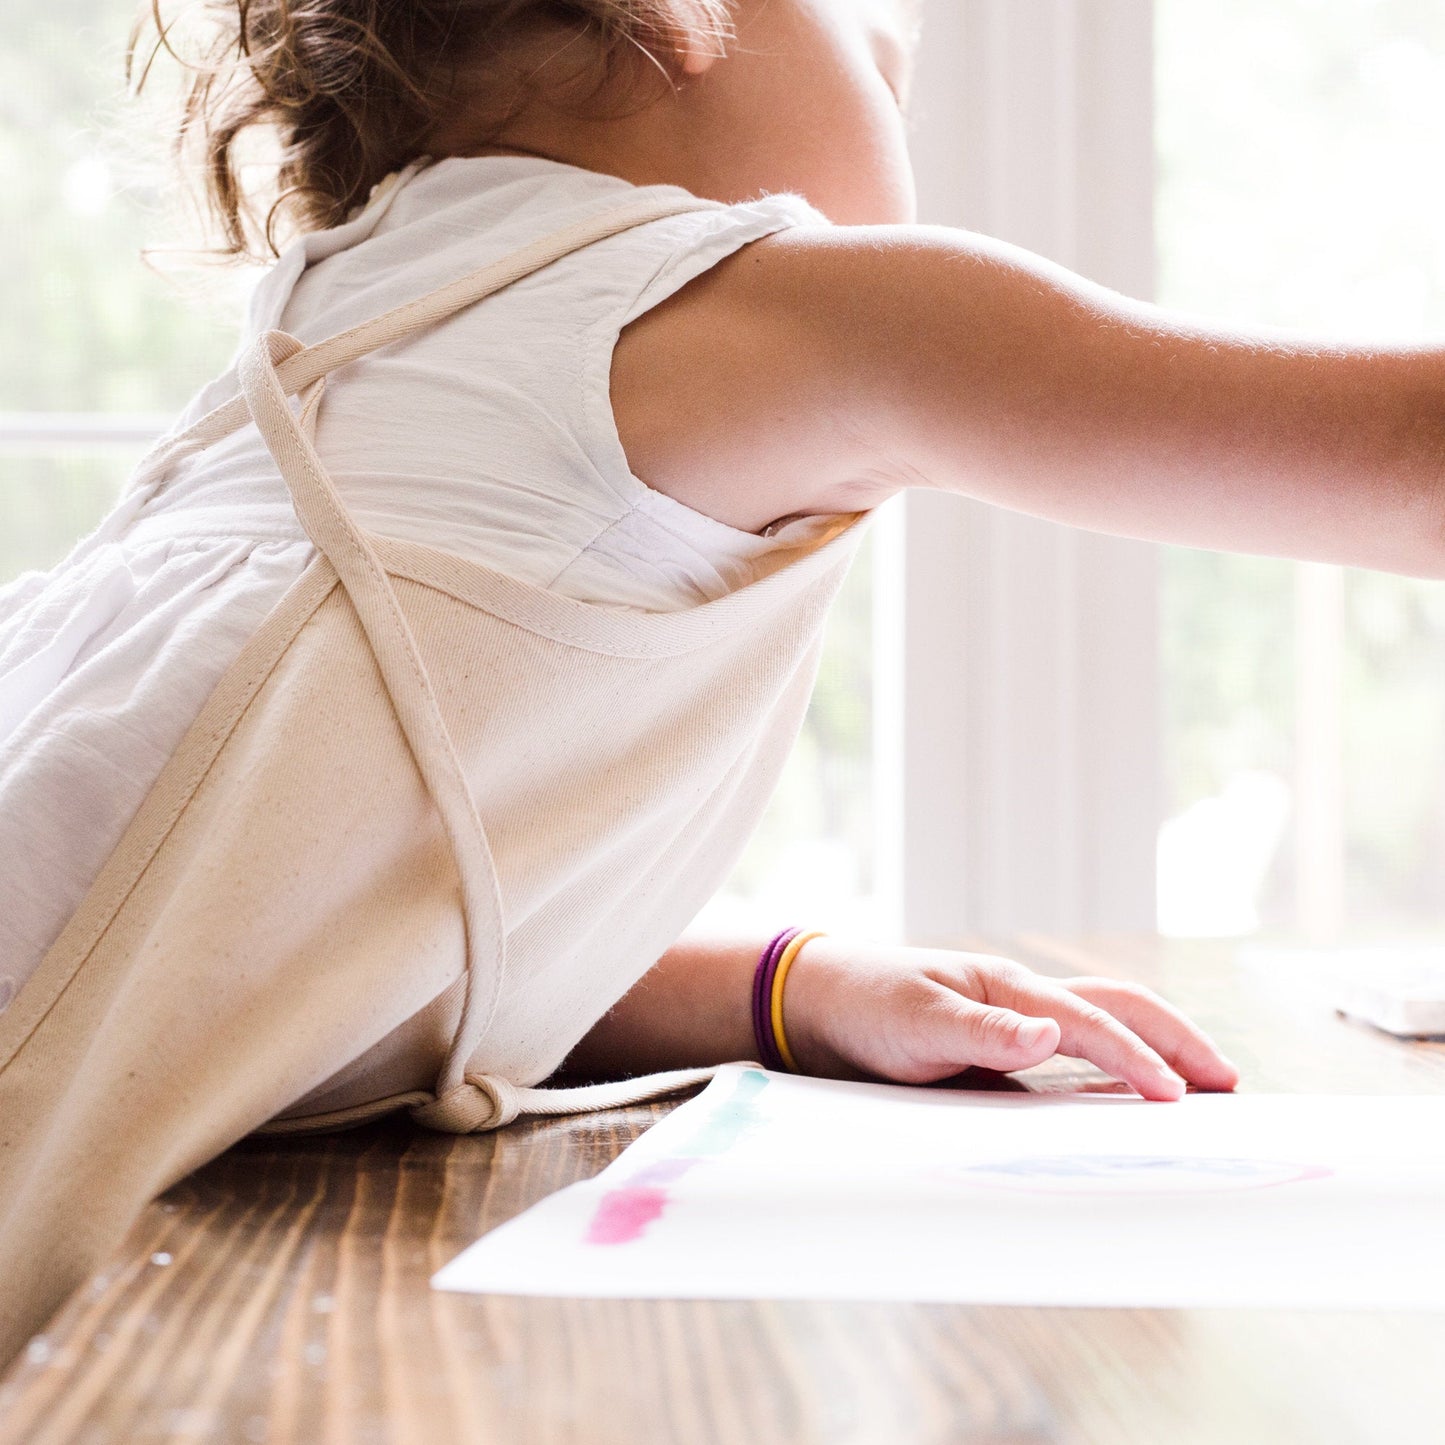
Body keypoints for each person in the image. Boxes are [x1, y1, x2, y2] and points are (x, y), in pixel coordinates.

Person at [5, 0, 1435, 1355]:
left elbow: (285, 915)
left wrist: (781, 987)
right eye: (881, 62)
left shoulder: (345, 333)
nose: (898, 119)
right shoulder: (749, 306)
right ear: (681, 14)